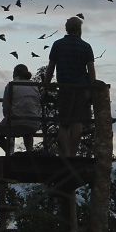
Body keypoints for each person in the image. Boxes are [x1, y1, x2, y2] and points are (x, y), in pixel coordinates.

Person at [43, 16, 96, 157]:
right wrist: (92, 90)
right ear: (79, 30)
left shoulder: (58, 45)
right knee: (77, 123)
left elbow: (50, 68)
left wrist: (45, 87)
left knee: (64, 122)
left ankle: (66, 154)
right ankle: (73, 154)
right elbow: (91, 71)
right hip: (81, 88)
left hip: (64, 87)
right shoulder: (86, 47)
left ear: (67, 29)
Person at [0, 64, 41, 154]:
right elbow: (37, 105)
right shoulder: (34, 86)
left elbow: (6, 108)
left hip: (16, 121)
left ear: (15, 73)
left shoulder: (11, 85)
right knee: (28, 130)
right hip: (34, 122)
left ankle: (9, 152)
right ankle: (29, 152)